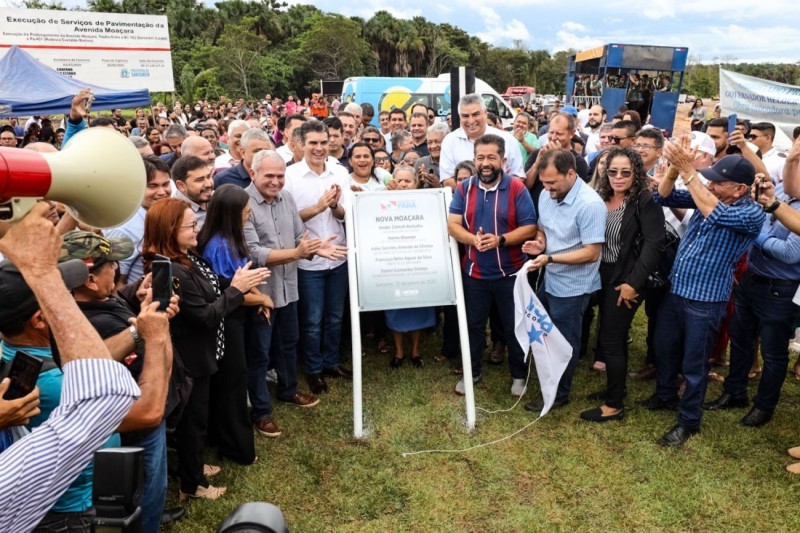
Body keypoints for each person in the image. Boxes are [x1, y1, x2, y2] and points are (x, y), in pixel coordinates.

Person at [0, 203, 141, 531]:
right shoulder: (50, 382)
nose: (70, 297)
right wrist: (42, 274)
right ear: (39, 319)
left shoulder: (12, 350)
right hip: (71, 513)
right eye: (61, 295)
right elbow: (110, 398)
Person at [141, 198, 269, 500]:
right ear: (171, 230)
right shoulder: (173, 270)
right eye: (189, 225)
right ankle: (192, 484)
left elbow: (212, 286)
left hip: (204, 354)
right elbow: (205, 316)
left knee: (198, 418)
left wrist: (238, 283)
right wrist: (236, 290)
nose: (196, 228)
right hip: (190, 358)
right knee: (193, 421)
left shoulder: (188, 257)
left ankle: (194, 465)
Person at [644, 139, 765, 446]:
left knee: (695, 364)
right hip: (679, 288)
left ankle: (689, 421)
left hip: (706, 299)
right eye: (709, 179)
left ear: (739, 189)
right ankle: (665, 395)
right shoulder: (707, 195)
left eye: (717, 182)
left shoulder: (751, 214)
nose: (709, 185)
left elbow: (716, 214)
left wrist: (688, 170)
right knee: (664, 345)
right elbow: (662, 196)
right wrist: (673, 168)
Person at [63, 232, 180, 531]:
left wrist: (138, 300)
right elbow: (153, 364)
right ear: (89, 280)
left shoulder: (92, 304)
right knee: (147, 494)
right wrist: (157, 327)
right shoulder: (100, 325)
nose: (118, 269)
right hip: (140, 426)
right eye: (112, 264)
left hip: (137, 424)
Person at [702, 174, 800, 427]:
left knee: (773, 353)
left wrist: (754, 230)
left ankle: (763, 407)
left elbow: (789, 253)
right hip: (752, 279)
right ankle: (735, 393)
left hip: (780, 289)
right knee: (741, 338)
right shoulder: (780, 197)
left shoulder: (792, 210)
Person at [244, 150, 331, 437]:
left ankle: (288, 390)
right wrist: (297, 252)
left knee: (288, 344)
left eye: (280, 175)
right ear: (253, 173)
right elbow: (253, 253)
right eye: (269, 175)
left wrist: (314, 247)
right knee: (258, 355)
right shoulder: (244, 205)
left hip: (288, 289)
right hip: (262, 296)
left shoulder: (287, 199)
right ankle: (260, 412)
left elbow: (298, 237)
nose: (275, 181)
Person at [447, 134, 537, 396]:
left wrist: (501, 241)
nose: (485, 163)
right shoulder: (464, 188)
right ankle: (472, 372)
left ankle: (518, 376)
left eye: (491, 157)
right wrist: (472, 239)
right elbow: (452, 224)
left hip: (510, 273)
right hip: (474, 274)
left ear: (503, 160)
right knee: (474, 325)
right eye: (480, 157)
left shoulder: (517, 188)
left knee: (513, 326)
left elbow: (530, 227)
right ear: (474, 159)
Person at [579, 148, 665, 422]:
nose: (618, 177)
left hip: (626, 279)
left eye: (625, 172)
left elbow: (654, 244)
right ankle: (617, 388)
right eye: (613, 171)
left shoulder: (643, 200)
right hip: (602, 274)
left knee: (612, 340)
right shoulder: (602, 197)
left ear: (636, 173)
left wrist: (633, 284)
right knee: (608, 332)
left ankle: (613, 405)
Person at [522, 149, 606, 412]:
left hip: (573, 286)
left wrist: (551, 259)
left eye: (551, 183)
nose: (546, 189)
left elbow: (592, 253)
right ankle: (549, 379)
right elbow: (544, 228)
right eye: (544, 183)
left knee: (564, 340)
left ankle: (558, 393)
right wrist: (540, 244)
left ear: (571, 173)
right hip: (551, 277)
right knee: (547, 331)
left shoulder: (590, 204)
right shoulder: (548, 195)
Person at [197, 185, 273, 463]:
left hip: (237, 318)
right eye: (245, 211)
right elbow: (229, 292)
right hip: (227, 321)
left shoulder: (229, 238)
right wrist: (262, 299)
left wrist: (259, 298)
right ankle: (237, 448)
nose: (249, 215)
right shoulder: (218, 246)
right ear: (231, 214)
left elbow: (244, 280)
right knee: (232, 383)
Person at [283, 120, 352, 395]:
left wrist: (335, 207)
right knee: (312, 320)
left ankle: (331, 362)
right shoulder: (290, 176)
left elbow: (348, 213)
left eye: (324, 142)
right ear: (301, 144)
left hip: (338, 257)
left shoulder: (340, 172)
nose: (320, 148)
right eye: (313, 143)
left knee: (335, 316)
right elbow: (286, 221)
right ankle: (313, 369)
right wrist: (318, 207)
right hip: (308, 261)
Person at [385, 165, 437, 368]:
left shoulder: (427, 203)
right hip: (393, 264)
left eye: (408, 181)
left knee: (418, 304)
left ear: (416, 184)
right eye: (400, 180)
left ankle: (415, 350)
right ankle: (399, 351)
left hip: (418, 263)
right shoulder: (382, 202)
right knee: (395, 305)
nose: (404, 184)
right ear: (392, 182)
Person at [106, 155, 172, 286]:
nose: (162, 192)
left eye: (165, 184)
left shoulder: (169, 211)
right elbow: (118, 282)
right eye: (152, 186)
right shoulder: (124, 229)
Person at [440, 93, 525, 182]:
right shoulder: (449, 141)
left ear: (485, 113)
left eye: (475, 114)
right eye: (465, 116)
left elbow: (519, 178)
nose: (471, 121)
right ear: (459, 117)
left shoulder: (507, 140)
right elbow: (447, 181)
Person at [172, 155, 214, 229]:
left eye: (208, 177)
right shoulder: (173, 215)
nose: (208, 184)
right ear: (181, 185)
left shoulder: (217, 199)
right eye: (199, 180)